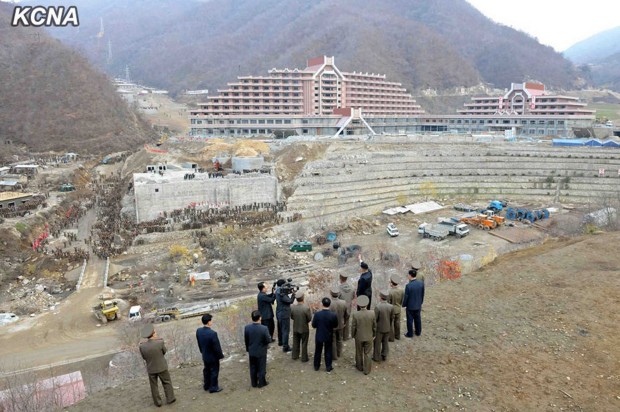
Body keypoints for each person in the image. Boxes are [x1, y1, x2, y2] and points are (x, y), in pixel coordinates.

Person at [139, 324, 176, 407]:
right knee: (167, 382)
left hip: (151, 368)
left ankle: (157, 402)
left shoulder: (142, 346)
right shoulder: (160, 342)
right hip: (162, 367)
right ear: (153, 333)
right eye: (155, 332)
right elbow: (164, 352)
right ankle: (170, 399)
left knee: (154, 386)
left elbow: (144, 357)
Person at [196, 313, 224, 393]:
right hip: (213, 357)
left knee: (206, 370)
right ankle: (213, 387)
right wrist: (220, 356)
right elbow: (217, 347)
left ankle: (206, 385)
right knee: (214, 371)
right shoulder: (212, 333)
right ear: (208, 322)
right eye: (211, 321)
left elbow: (199, 343)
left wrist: (202, 351)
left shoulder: (199, 331)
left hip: (205, 355)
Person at [244, 310, 272, 388]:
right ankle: (262, 382)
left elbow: (246, 340)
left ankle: (254, 383)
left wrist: (248, 349)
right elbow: (268, 340)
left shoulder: (247, 328)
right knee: (261, 367)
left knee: (253, 367)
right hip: (261, 351)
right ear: (260, 318)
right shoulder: (264, 328)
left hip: (251, 351)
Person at [311, 297, 338, 372]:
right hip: (328, 335)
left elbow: (313, 325)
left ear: (322, 304)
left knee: (318, 351)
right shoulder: (333, 315)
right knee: (328, 351)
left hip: (319, 335)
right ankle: (328, 367)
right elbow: (335, 325)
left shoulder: (317, 314)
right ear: (329, 304)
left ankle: (316, 366)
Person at [351, 295, 376, 375]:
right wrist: (374, 334)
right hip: (369, 336)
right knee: (368, 353)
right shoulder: (372, 313)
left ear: (358, 304)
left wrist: (353, 335)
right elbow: (374, 326)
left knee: (358, 352)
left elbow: (353, 326)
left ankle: (359, 367)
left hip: (359, 336)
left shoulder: (355, 314)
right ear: (367, 304)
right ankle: (367, 370)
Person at [402, 268, 425, 338]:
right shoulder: (421, 283)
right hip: (418, 304)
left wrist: (404, 305)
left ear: (410, 275)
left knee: (410, 320)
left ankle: (410, 333)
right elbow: (422, 294)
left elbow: (406, 297)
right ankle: (418, 332)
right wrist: (421, 302)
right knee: (418, 319)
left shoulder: (408, 286)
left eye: (408, 275)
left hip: (410, 306)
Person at [373, 290, 395, 362]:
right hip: (387, 327)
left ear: (381, 297)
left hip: (379, 328)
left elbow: (375, 319)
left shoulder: (378, 307)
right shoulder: (391, 306)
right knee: (385, 342)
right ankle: (384, 355)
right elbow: (392, 317)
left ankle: (376, 357)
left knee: (377, 343)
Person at [290, 290, 312, 362]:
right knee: (304, 343)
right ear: (303, 298)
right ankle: (304, 358)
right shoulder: (306, 308)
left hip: (295, 327)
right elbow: (309, 319)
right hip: (304, 328)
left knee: (295, 342)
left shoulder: (292, 307)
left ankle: (294, 356)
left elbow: (292, 317)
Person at [275, 279, 295, 352]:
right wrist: (293, 294)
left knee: (280, 328)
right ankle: (285, 347)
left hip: (279, 312)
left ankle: (281, 342)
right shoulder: (281, 292)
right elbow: (290, 301)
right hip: (284, 313)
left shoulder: (277, 290)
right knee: (285, 330)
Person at [329, 286, 347, 360]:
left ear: (331, 294)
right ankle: (339, 353)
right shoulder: (343, 302)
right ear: (338, 294)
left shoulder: (329, 303)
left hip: (331, 325)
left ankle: (334, 356)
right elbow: (347, 314)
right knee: (339, 339)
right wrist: (345, 322)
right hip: (340, 324)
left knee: (333, 340)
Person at [387, 273, 405, 342]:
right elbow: (402, 300)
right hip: (398, 309)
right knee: (397, 323)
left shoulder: (390, 292)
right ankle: (397, 336)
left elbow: (388, 302)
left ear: (391, 283)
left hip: (392, 310)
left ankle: (391, 338)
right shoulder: (402, 290)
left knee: (391, 324)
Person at [338, 273, 355, 340]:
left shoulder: (338, 289)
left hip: (341, 307)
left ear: (340, 279)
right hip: (348, 306)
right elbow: (353, 297)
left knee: (340, 320)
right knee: (347, 321)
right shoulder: (352, 288)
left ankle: (340, 336)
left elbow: (337, 298)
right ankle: (346, 336)